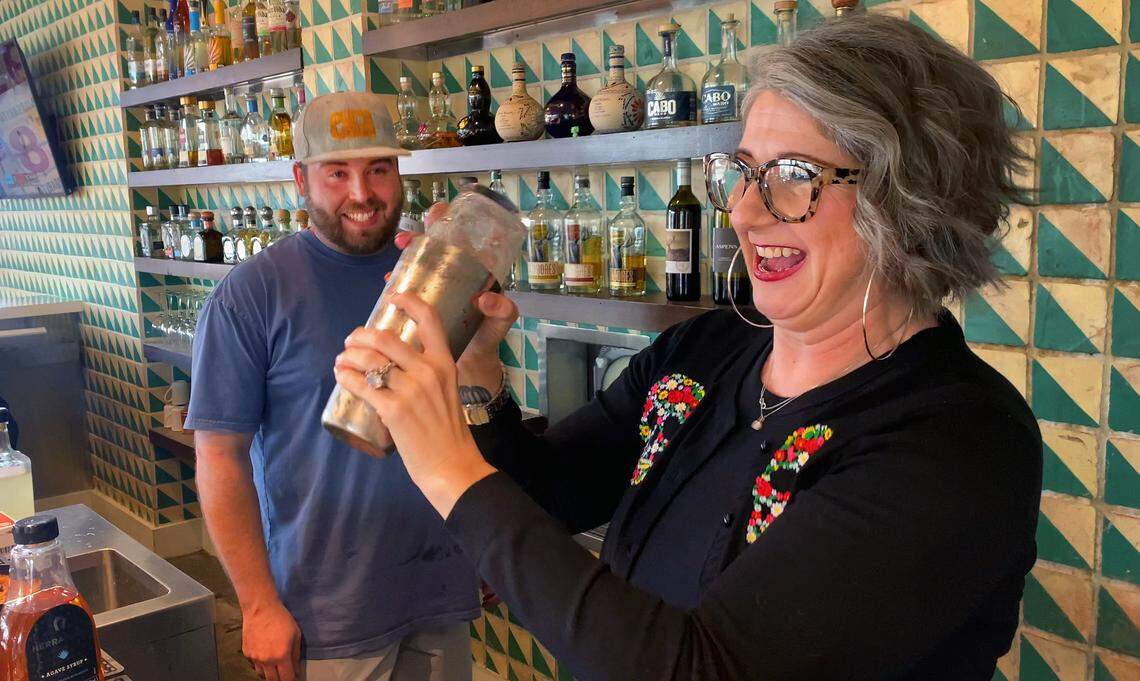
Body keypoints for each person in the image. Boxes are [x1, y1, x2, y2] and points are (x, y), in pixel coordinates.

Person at [334, 13, 1044, 681]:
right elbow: (549, 494)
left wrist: (449, 470)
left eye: (793, 176)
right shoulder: (705, 351)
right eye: (741, 171)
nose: (743, 209)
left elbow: (702, 666)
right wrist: (476, 373)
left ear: (910, 195)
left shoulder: (958, 440)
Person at [186, 92, 478, 681]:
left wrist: (489, 541)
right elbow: (219, 457)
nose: (362, 194)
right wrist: (258, 604)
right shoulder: (252, 294)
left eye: (378, 169)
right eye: (337, 173)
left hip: (440, 588)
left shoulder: (435, 276)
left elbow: (465, 409)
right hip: (326, 611)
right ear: (301, 179)